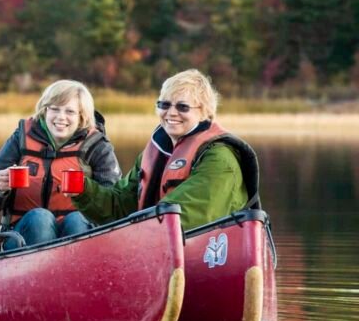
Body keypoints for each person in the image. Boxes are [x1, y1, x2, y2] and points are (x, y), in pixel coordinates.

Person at [72, 69, 260, 231]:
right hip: (159, 244)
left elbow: (180, 217)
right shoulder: (154, 152)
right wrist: (80, 188)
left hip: (208, 252)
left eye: (183, 107)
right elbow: (119, 208)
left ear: (205, 112)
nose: (171, 112)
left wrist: (138, 233)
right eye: (164, 104)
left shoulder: (220, 158)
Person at [0, 79, 121, 247]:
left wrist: (88, 193)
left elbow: (115, 206)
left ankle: (72, 263)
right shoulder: (20, 139)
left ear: (82, 116)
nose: (61, 117)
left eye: (70, 111)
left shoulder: (98, 146)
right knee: (40, 218)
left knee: (77, 220)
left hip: (78, 234)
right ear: (45, 110)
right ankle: (42, 263)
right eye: (54, 109)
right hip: (21, 237)